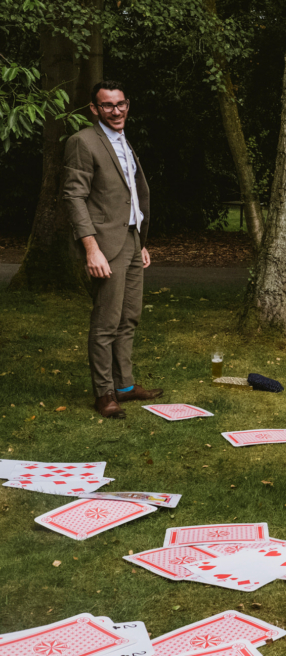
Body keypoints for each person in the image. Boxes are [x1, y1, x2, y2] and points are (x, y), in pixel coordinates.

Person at [63, 79, 163, 419]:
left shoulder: (122, 140)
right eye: (107, 105)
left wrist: (141, 242)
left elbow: (128, 195)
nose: (115, 110)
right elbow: (74, 196)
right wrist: (91, 249)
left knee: (129, 317)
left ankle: (124, 386)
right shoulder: (83, 141)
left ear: (128, 104)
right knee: (106, 321)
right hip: (105, 245)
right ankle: (104, 393)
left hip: (132, 240)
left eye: (120, 104)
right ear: (94, 109)